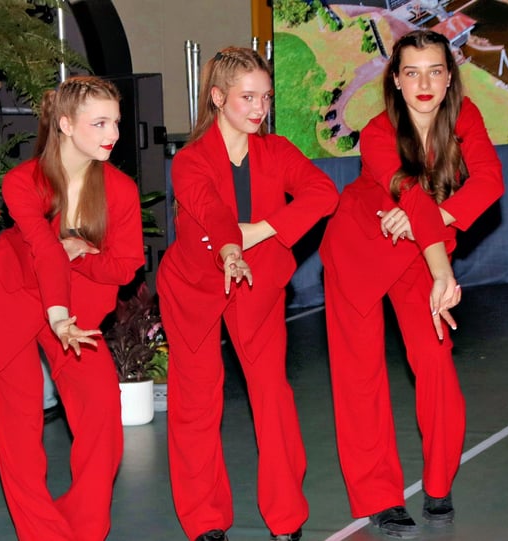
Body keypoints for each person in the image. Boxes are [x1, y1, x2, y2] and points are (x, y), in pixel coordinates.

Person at [320, 30, 504, 538]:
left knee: (437, 364)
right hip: (360, 248)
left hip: (418, 247)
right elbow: (407, 191)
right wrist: (443, 264)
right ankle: (379, 497)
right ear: (396, 82)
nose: (424, 82)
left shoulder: (465, 121)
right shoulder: (379, 134)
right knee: (360, 381)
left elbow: (490, 181)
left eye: (435, 71)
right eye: (412, 72)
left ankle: (439, 482)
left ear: (449, 78)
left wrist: (438, 216)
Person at [157, 47, 338, 541]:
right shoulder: (190, 161)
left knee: (272, 395)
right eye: (247, 97)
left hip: (256, 279)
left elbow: (324, 193)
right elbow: (210, 211)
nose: (259, 108)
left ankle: (286, 517)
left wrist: (257, 232)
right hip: (194, 285)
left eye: (265, 97)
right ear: (218, 98)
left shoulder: (276, 151)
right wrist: (230, 248)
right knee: (196, 401)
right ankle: (204, 520)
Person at [0, 75, 144, 541]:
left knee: (102, 415)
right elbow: (43, 250)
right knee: (18, 434)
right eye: (99, 123)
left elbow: (125, 267)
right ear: (64, 123)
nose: (112, 134)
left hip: (75, 308)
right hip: (10, 298)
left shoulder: (118, 188)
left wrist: (88, 255)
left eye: (115, 122)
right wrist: (57, 315)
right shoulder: (24, 181)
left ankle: (82, 527)